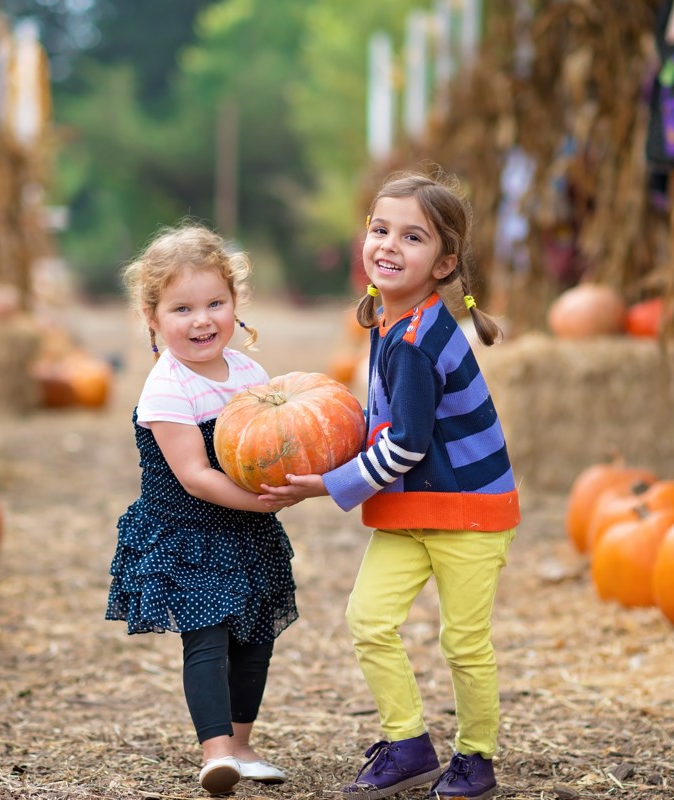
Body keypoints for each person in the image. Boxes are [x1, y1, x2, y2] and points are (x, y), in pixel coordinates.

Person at [261, 171, 519, 800]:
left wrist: (329, 483)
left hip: (469, 510)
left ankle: (476, 759)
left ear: (445, 262)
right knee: (368, 618)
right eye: (380, 229)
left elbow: (404, 443)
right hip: (415, 506)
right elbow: (389, 424)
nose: (389, 245)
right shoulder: (390, 323)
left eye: (412, 236)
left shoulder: (414, 341)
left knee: (462, 641)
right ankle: (407, 745)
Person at [105, 223, 300, 796]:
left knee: (256, 638)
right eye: (182, 308)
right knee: (208, 638)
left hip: (247, 530)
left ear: (236, 305)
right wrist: (265, 500)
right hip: (189, 531)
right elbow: (195, 476)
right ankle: (215, 753)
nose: (202, 319)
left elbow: (267, 445)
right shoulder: (168, 388)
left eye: (216, 302)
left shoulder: (249, 375)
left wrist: (289, 479)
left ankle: (242, 744)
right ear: (153, 318)